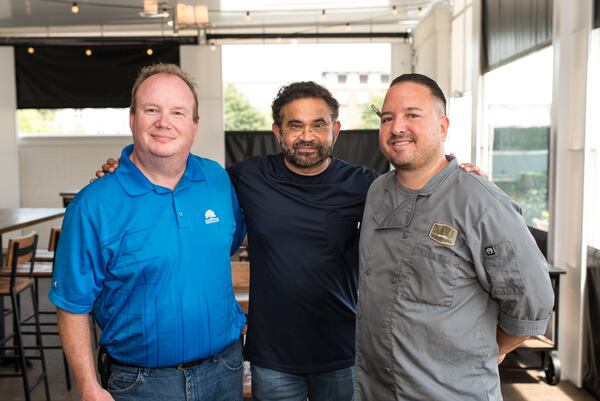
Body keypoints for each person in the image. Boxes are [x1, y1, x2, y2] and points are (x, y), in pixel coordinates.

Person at [97, 81, 483, 401]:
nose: (307, 136)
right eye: (295, 126)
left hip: (343, 352)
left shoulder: (367, 185)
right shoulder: (247, 176)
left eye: (318, 125)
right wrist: (126, 168)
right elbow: (178, 177)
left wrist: (453, 174)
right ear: (278, 132)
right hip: (272, 357)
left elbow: (419, 189)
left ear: (335, 130)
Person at [50, 64, 246, 401]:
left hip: (224, 372)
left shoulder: (217, 180)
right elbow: (71, 305)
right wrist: (88, 386)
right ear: (132, 118)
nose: (164, 122)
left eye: (178, 112)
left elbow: (225, 245)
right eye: (151, 110)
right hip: (141, 385)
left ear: (195, 126)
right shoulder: (93, 205)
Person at [354, 73, 555, 401]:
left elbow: (533, 301)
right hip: (374, 390)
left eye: (412, 115)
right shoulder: (377, 191)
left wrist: (489, 349)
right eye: (387, 118)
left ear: (443, 127)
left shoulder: (480, 201)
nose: (396, 127)